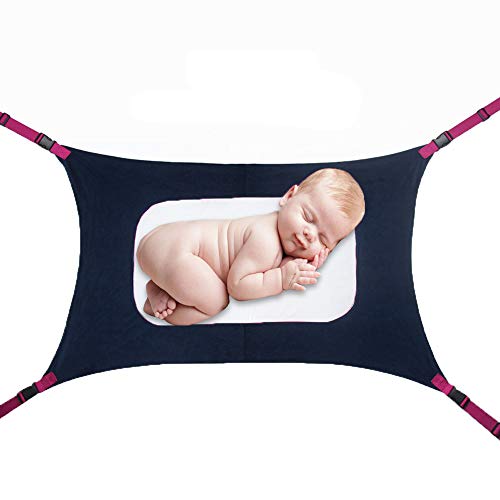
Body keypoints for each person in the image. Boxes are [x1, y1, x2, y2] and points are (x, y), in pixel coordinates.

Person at [136, 168, 365, 326]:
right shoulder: (266, 240)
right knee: (216, 301)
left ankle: (162, 285)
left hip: (165, 242)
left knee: (203, 288)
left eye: (323, 239)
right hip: (178, 250)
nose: (309, 234)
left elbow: (271, 265)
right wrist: (281, 279)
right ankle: (156, 307)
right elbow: (238, 286)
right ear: (289, 196)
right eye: (307, 217)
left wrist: (299, 266)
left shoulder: (278, 236)